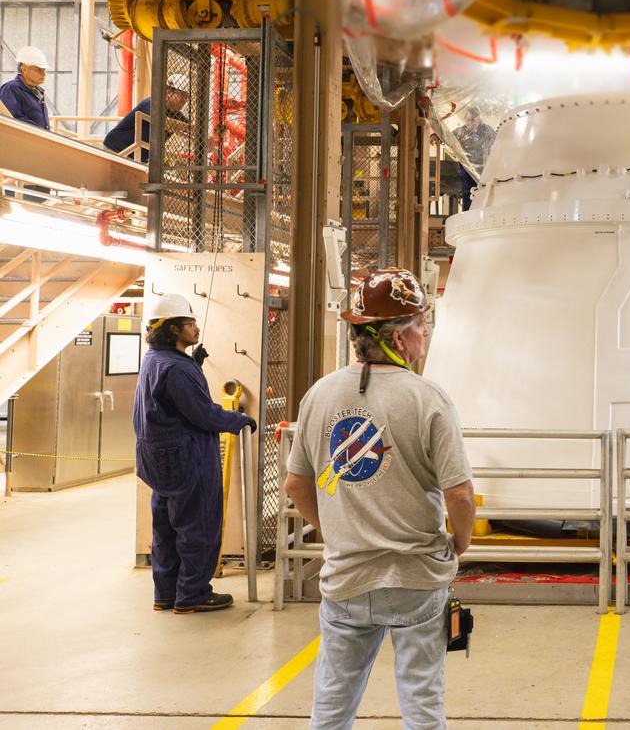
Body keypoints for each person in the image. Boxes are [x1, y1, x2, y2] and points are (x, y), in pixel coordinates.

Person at [284, 267, 475, 730]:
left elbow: (295, 484)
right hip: (416, 576)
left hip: (346, 576)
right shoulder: (429, 399)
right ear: (400, 336)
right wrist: (460, 543)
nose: (426, 334)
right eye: (422, 324)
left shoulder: (319, 395)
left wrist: (335, 531)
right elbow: (459, 494)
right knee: (422, 699)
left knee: (332, 701)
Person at [134, 293, 257, 614]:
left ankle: (165, 593)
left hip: (155, 459)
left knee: (165, 528)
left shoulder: (154, 360)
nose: (196, 329)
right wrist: (239, 420)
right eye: (190, 324)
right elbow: (202, 414)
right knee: (197, 526)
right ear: (173, 329)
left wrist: (193, 364)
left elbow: (169, 398)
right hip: (185, 458)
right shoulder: (178, 369)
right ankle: (193, 594)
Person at [103, 75, 190, 162]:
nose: (184, 100)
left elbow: (192, 129)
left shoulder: (176, 115)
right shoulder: (151, 103)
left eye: (186, 96)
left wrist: (190, 128)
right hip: (116, 150)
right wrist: (185, 127)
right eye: (182, 95)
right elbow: (162, 122)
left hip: (136, 157)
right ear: (169, 92)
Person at [0, 46, 51, 130]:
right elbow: (12, 119)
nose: (43, 74)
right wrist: (40, 132)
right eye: (38, 69)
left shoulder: (37, 91)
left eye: (44, 70)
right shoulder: (10, 89)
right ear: (24, 69)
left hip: (38, 137)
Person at [455, 105, 494, 210]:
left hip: (483, 167)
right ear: (465, 119)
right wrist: (435, 137)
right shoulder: (461, 131)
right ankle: (468, 212)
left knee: (484, 192)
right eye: (468, 120)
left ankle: (483, 212)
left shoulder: (486, 130)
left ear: (478, 119)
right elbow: (447, 136)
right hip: (467, 168)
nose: (470, 123)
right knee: (467, 192)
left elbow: (498, 137)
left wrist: (491, 141)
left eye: (473, 120)